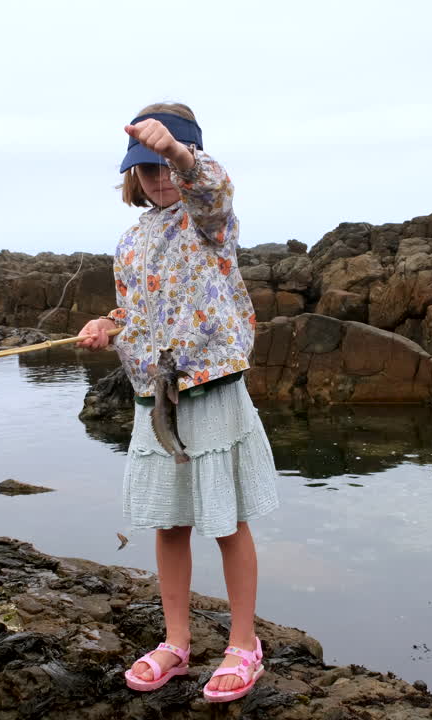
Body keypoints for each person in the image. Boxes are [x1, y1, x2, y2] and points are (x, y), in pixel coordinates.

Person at [77, 102, 280, 703]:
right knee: (170, 523)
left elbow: (210, 189)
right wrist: (107, 324)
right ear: (132, 177)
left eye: (166, 165)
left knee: (227, 519)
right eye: (148, 168)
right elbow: (133, 310)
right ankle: (177, 642)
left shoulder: (208, 221)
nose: (160, 177)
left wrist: (177, 152)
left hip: (211, 387)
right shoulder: (129, 241)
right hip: (156, 398)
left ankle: (244, 644)